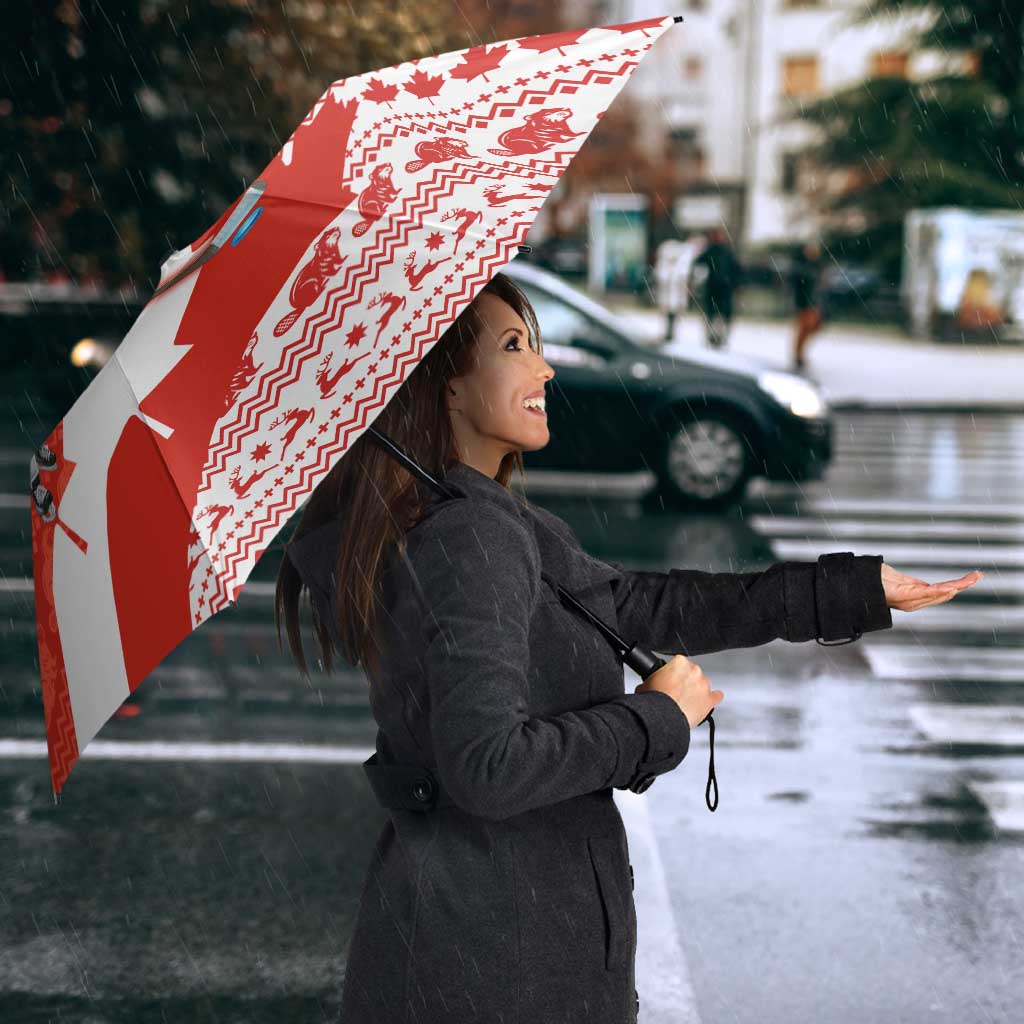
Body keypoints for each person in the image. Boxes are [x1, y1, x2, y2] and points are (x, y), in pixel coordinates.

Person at [275, 271, 977, 1024]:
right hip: (499, 963)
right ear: (446, 385)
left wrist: (850, 591)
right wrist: (656, 719)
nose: (544, 368)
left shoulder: (475, 518)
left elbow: (640, 605)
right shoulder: (469, 537)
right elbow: (487, 768)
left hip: (481, 942)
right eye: (514, 346)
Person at [692, 226, 742, 349]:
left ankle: (719, 337)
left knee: (720, 315)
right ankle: (713, 337)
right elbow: (698, 264)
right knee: (713, 314)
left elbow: (736, 270)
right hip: (715, 288)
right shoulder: (712, 251)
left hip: (723, 288)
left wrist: (735, 284)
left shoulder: (725, 252)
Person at [790, 239, 826, 370]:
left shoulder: (817, 266)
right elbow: (799, 286)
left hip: (814, 303)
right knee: (804, 329)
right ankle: (798, 355)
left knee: (812, 328)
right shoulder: (802, 267)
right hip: (805, 303)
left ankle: (799, 354)